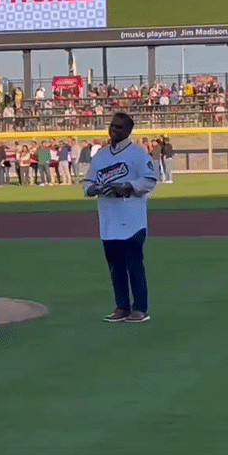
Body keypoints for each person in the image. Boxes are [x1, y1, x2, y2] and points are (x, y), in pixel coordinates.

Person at [84, 113, 158, 323]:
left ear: (128, 131)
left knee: (134, 265)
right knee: (115, 267)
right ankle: (122, 306)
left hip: (133, 220)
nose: (113, 130)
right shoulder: (101, 156)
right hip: (109, 221)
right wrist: (94, 189)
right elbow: (87, 183)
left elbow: (150, 180)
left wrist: (128, 187)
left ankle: (140, 308)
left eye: (119, 127)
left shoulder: (137, 153)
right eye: (112, 126)